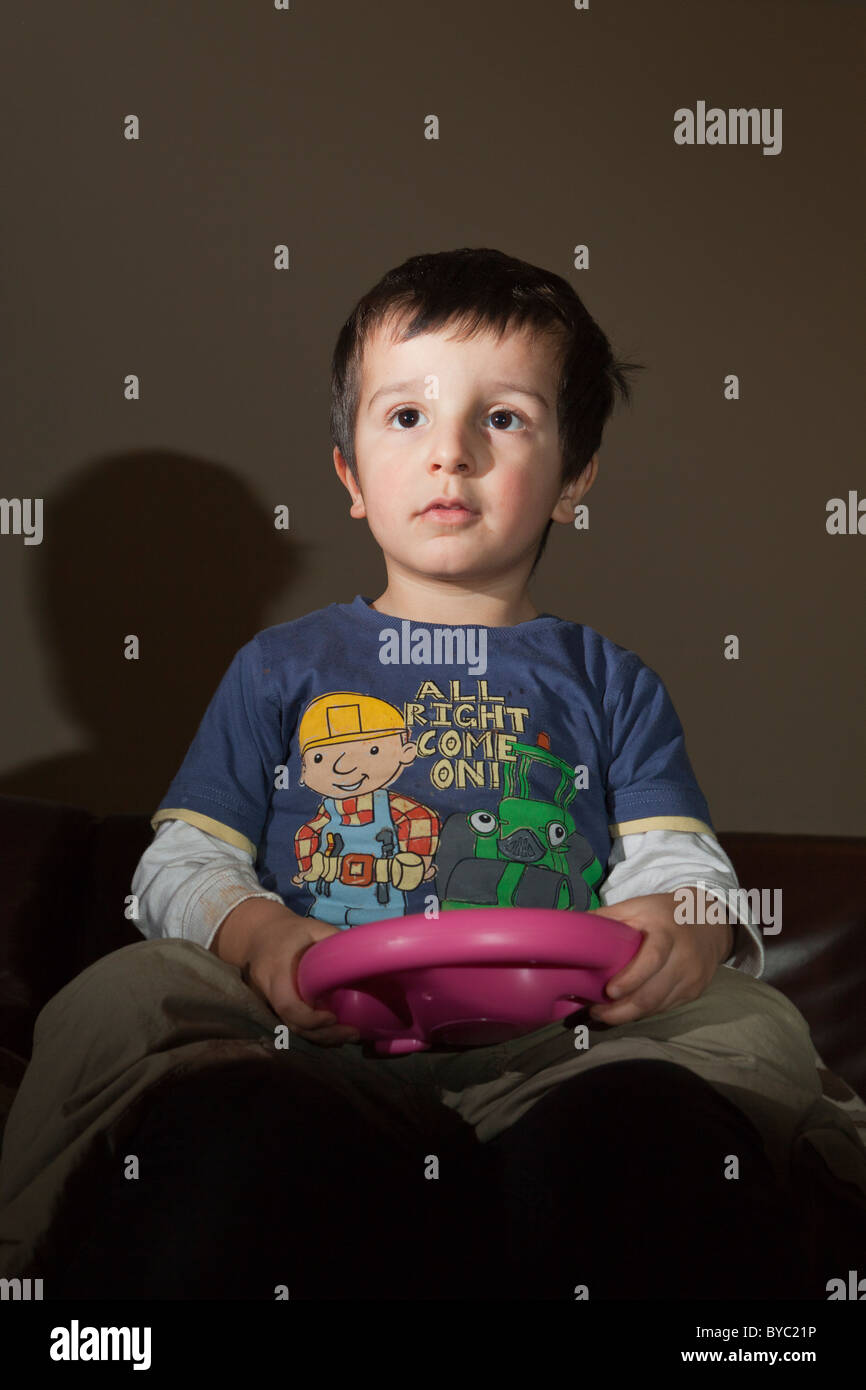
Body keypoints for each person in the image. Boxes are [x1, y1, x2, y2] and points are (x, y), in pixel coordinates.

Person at [2, 247, 865, 1301]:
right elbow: (181, 857)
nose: (448, 453)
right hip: (301, 1042)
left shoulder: (608, 679)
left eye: (501, 418)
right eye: (404, 416)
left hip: (559, 1050)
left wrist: (685, 927)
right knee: (125, 995)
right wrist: (262, 936)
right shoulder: (281, 668)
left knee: (754, 1025)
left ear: (574, 474)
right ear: (351, 475)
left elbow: (676, 857)